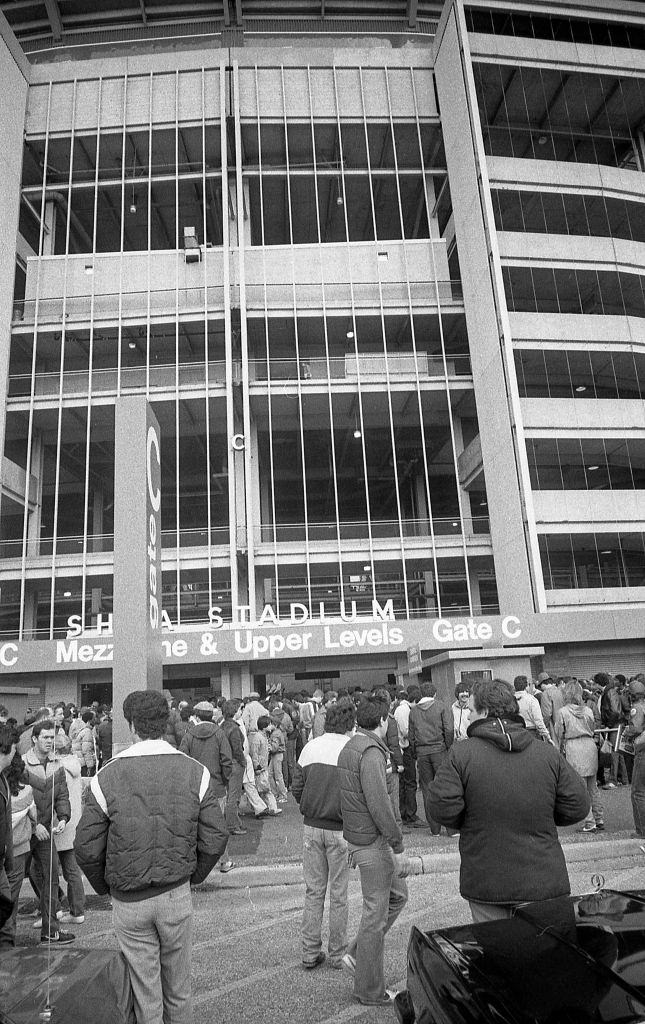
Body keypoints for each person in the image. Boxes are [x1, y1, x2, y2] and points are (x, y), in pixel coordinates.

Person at [75, 689, 228, 1024]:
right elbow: (216, 837)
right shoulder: (194, 771)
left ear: (131, 726)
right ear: (166, 722)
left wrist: (106, 886)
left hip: (129, 901)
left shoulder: (106, 776)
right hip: (175, 892)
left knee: (145, 993)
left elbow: (85, 847)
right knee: (179, 989)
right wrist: (193, 875)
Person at [427, 678, 589, 923]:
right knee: (546, 956)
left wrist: (469, 820)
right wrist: (543, 813)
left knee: (498, 957)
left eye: (471, 711)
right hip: (543, 878)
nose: (468, 716)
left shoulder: (461, 754)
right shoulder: (545, 753)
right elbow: (578, 804)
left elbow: (441, 806)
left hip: (487, 880)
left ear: (483, 711)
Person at [337, 694, 408, 1007]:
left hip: (361, 837)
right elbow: (380, 805)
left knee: (398, 896)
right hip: (373, 842)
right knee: (374, 918)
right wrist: (398, 845)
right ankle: (369, 991)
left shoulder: (352, 746)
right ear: (382, 721)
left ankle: (355, 954)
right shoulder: (371, 752)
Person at [293, 702, 356, 970]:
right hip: (340, 830)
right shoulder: (352, 750)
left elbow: (297, 787)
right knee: (339, 893)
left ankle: (309, 952)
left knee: (313, 891)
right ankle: (337, 952)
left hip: (311, 826)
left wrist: (308, 804)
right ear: (351, 724)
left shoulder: (310, 747)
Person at [23, 720, 73, 943]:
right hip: (23, 832)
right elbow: (17, 801)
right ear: (34, 739)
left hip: (46, 833)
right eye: (45, 737)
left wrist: (63, 818)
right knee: (12, 883)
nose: (50, 741)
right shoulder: (22, 764)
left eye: (52, 737)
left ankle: (51, 930)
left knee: (52, 878)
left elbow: (62, 796)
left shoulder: (57, 765)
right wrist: (35, 825)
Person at [180, 701, 234, 873]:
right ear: (212, 715)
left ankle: (193, 866)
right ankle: (224, 862)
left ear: (196, 715)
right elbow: (227, 760)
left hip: (195, 788)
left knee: (194, 827)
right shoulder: (219, 734)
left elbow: (183, 760)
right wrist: (225, 781)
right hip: (216, 787)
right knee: (218, 826)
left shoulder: (189, 735)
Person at [554, 680, 604, 834]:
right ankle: (599, 818)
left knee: (581, 787)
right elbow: (594, 728)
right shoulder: (588, 711)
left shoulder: (562, 712)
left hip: (574, 747)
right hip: (589, 746)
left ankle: (589, 822)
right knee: (593, 786)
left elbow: (558, 733)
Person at [408, 682, 455, 836]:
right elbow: (448, 729)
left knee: (427, 790)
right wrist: (448, 747)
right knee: (445, 788)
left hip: (422, 754)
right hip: (440, 750)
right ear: (434, 694)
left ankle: (434, 829)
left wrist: (416, 753)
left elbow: (411, 736)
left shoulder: (413, 711)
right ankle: (451, 829)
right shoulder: (442, 706)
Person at [0, 751, 36, 949]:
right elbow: (34, 815)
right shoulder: (26, 792)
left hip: (8, 852)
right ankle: (7, 948)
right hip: (17, 851)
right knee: (9, 905)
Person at [393, 684, 425, 828]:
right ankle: (410, 815)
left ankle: (406, 813)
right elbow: (406, 731)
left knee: (406, 784)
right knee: (410, 783)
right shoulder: (404, 710)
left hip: (403, 751)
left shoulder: (400, 709)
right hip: (405, 750)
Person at [219, 700, 248, 835]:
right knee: (234, 796)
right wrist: (243, 762)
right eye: (240, 709)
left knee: (230, 794)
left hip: (226, 763)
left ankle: (235, 823)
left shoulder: (222, 726)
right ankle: (232, 825)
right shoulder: (234, 728)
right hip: (236, 764)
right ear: (234, 711)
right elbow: (237, 749)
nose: (241, 711)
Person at [624, 676, 645, 836]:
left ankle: (641, 830)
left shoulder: (637, 708)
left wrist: (627, 732)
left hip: (642, 752)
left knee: (638, 792)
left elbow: (636, 728)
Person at [513, 676, 552, 742]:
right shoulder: (532, 700)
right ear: (527, 686)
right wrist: (547, 736)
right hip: (531, 733)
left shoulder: (510, 700)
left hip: (515, 734)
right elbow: (538, 720)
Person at [71, 708, 97, 776]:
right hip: (84, 764)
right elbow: (86, 750)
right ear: (89, 720)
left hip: (78, 762)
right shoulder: (87, 732)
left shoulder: (80, 731)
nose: (95, 720)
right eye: (94, 719)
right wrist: (90, 766)